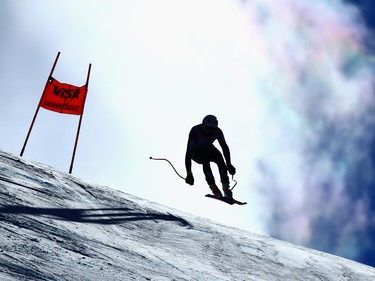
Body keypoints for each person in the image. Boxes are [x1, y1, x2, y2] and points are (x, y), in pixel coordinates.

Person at [185, 115, 236, 199]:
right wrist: (189, 173)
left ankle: (226, 188)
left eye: (212, 130)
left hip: (208, 148)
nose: (210, 132)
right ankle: (214, 188)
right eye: (208, 129)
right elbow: (188, 154)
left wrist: (229, 164)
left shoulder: (218, 132)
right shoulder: (195, 131)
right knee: (205, 160)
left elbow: (224, 147)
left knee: (220, 158)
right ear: (203, 125)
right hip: (196, 153)